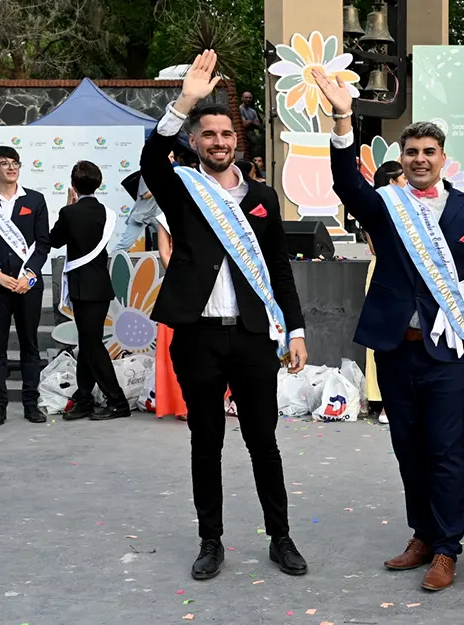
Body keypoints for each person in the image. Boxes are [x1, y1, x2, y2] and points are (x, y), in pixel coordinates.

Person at [316, 70, 464, 593]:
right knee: (408, 448)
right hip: (396, 350)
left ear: (443, 158)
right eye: (413, 151)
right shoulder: (385, 205)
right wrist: (341, 120)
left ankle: (447, 547)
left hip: (448, 353)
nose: (421, 158)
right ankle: (422, 534)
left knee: (445, 450)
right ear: (402, 158)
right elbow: (345, 184)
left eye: (430, 150)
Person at [139, 51, 310, 581]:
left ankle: (280, 538)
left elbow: (278, 268)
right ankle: (210, 541)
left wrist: (296, 328)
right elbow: (150, 162)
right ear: (195, 142)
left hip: (255, 337)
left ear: (238, 140)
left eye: (226, 135)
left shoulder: (261, 197)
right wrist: (186, 100)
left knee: (264, 441)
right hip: (197, 336)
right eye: (208, 134)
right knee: (205, 441)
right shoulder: (182, 188)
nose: (218, 142)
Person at [50, 161, 130, 422]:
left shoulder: (69, 213)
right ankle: (84, 397)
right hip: (100, 285)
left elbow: (54, 240)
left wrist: (68, 207)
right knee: (87, 342)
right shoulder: (106, 213)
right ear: (99, 183)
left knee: (92, 344)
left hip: (82, 287)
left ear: (73, 185)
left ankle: (117, 400)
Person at [0, 145, 50, 425]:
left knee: (30, 345)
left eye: (15, 162)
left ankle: (31, 402)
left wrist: (28, 275)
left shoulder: (35, 200)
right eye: (4, 163)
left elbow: (43, 244)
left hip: (28, 285)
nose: (11, 167)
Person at [366, 160, 407, 426]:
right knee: (380, 335)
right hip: (384, 269)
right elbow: (374, 246)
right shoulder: (377, 208)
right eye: (403, 177)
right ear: (392, 181)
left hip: (406, 273)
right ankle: (382, 401)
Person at [153, 213, 187, 421]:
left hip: (210, 285)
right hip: (179, 286)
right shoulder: (165, 216)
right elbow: (165, 252)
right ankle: (181, 403)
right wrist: (181, 280)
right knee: (177, 347)